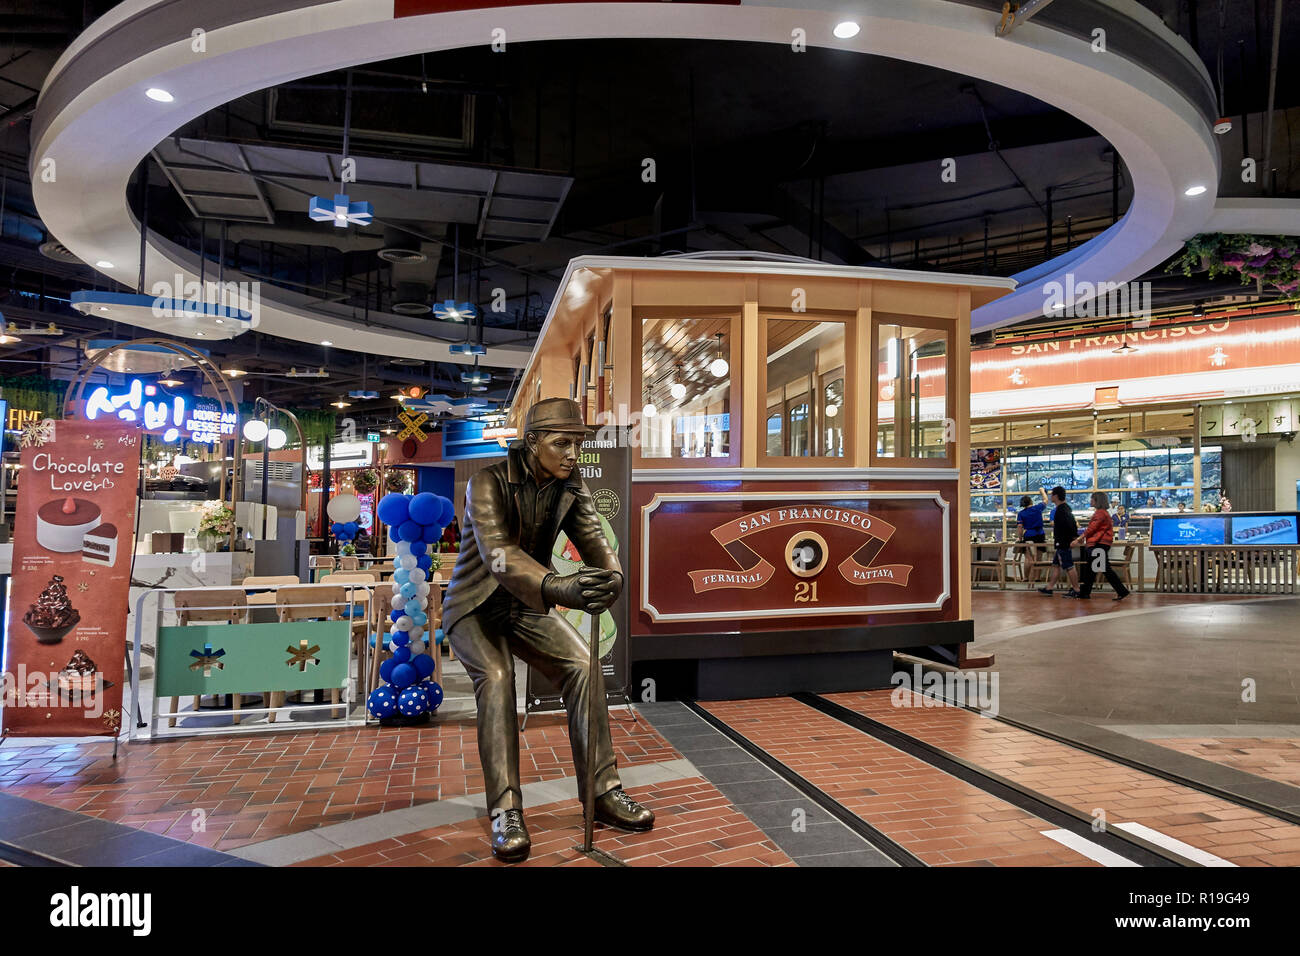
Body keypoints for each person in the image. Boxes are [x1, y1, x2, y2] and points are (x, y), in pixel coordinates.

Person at [441, 398, 653, 863]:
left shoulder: (568, 485)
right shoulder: (487, 483)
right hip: (474, 608)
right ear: (532, 442)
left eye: (578, 442)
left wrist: (610, 579)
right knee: (497, 680)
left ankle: (602, 792)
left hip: (523, 607)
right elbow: (500, 554)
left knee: (583, 665)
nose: (573, 453)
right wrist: (559, 587)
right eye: (562, 443)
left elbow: (596, 538)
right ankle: (506, 810)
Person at [1073, 491, 1131, 602]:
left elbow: (1092, 529)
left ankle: (1121, 590)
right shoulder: (1104, 513)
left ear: (1097, 501)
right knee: (1092, 568)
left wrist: (1078, 539)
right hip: (1101, 544)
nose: (1090, 501)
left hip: (1098, 544)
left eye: (1092, 499)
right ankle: (1085, 592)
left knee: (1103, 568)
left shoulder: (1100, 513)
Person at [1037, 486, 1080, 597]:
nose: (1051, 497)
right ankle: (1050, 587)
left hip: (1062, 542)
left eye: (1052, 495)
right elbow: (1073, 525)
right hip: (1063, 541)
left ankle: (1076, 589)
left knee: (1069, 565)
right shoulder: (1066, 509)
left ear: (1056, 496)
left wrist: (1067, 540)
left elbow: (1067, 526)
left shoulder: (1061, 510)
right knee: (1056, 565)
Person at [1015, 494, 1047, 587]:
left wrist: (1020, 538)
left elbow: (1020, 527)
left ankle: (1026, 577)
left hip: (1029, 535)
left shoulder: (1021, 513)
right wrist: (1042, 492)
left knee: (1028, 558)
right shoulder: (1038, 508)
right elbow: (1045, 500)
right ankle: (1037, 577)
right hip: (1040, 534)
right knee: (1039, 558)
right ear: (1031, 502)